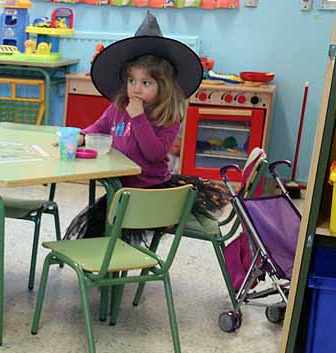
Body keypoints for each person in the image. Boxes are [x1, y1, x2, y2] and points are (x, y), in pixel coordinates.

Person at [66, 12, 229, 242]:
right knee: (99, 229)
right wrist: (82, 136)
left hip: (151, 191)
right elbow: (100, 126)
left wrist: (139, 118)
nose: (136, 89)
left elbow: (155, 154)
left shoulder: (167, 116)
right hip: (121, 188)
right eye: (132, 81)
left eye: (146, 83)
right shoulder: (120, 107)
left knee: (119, 226)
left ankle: (118, 263)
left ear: (161, 86)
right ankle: (103, 267)